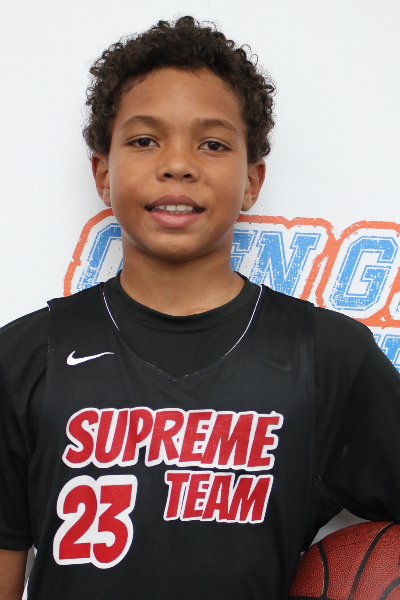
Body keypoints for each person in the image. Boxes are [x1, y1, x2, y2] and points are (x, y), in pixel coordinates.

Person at [0, 15, 399, 600]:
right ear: (103, 174)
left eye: (212, 144)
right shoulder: (25, 357)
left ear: (252, 180)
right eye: (144, 140)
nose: (178, 163)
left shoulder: (327, 357)